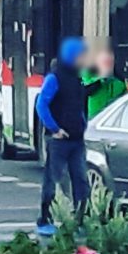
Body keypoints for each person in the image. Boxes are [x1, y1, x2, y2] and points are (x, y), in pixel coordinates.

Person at [36, 37, 90, 236]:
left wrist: (83, 124)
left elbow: (79, 105)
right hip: (59, 141)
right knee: (53, 180)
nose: (84, 59)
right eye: (81, 55)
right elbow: (41, 104)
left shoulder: (77, 77)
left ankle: (80, 221)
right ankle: (44, 220)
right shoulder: (55, 77)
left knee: (81, 181)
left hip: (76, 139)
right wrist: (54, 129)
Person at [82, 49, 127, 119]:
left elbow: (124, 95)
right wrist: (101, 78)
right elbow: (87, 90)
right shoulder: (90, 72)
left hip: (115, 116)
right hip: (95, 116)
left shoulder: (118, 78)